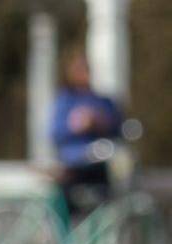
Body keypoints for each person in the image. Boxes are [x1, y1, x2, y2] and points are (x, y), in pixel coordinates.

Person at [49, 50, 125, 222]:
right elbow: (55, 133)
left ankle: (97, 235)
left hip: (99, 164)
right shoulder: (65, 101)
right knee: (65, 206)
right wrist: (75, 126)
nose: (83, 73)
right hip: (74, 165)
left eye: (86, 69)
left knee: (105, 207)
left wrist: (100, 123)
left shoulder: (102, 101)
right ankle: (66, 236)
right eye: (79, 69)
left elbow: (119, 127)